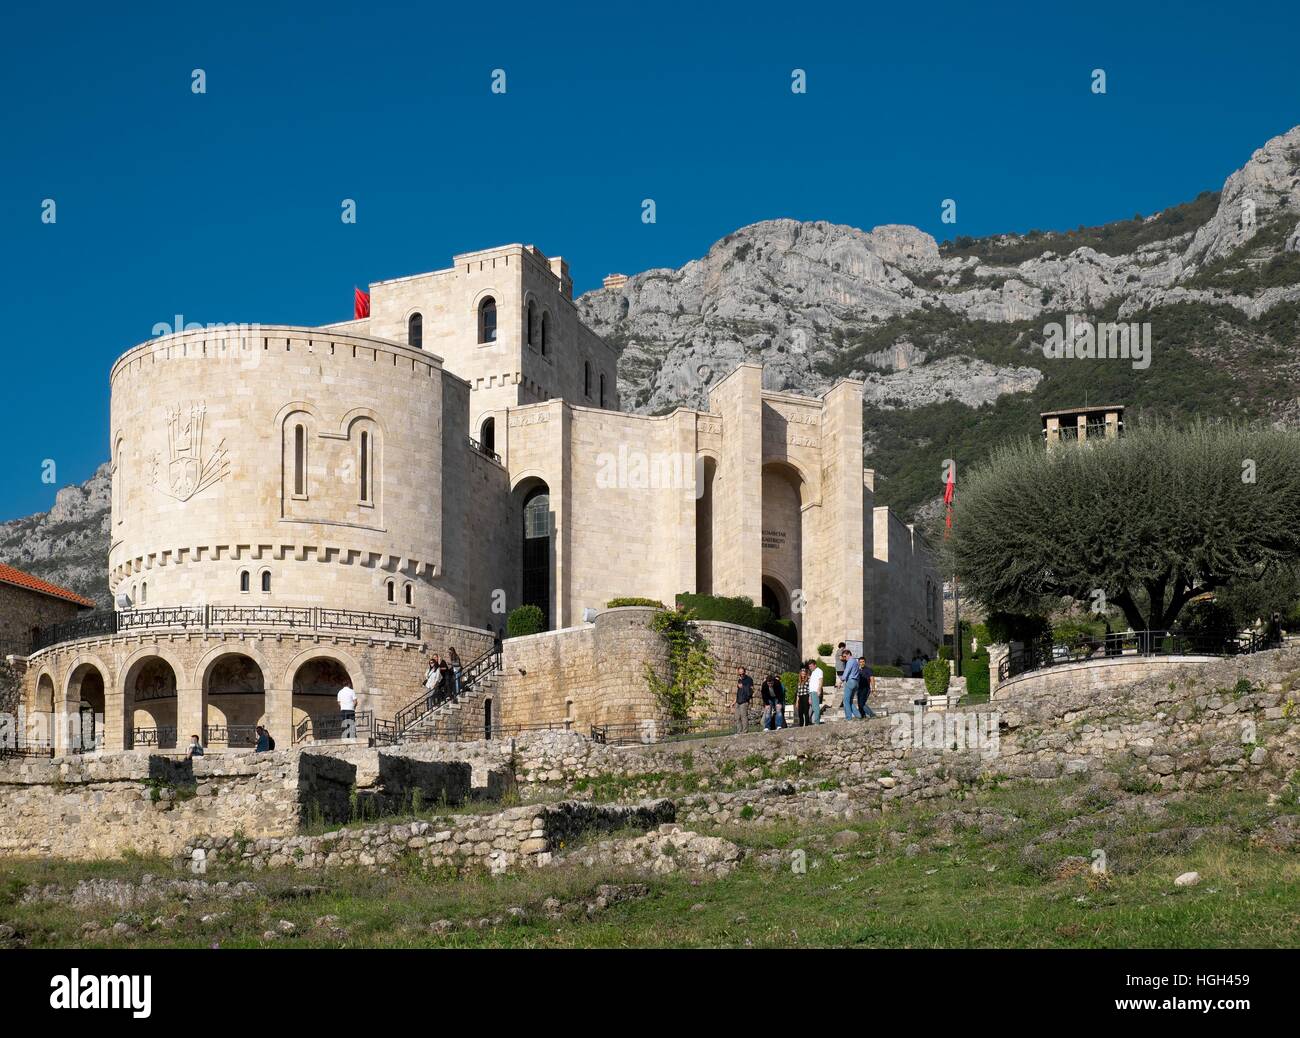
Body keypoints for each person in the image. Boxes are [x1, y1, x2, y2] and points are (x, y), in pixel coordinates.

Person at [840, 650, 861, 720]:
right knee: (850, 701)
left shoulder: (850, 661)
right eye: (843, 657)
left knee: (845, 701)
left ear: (849, 654)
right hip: (856, 682)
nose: (844, 658)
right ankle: (858, 716)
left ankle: (848, 717)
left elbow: (846, 672)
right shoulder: (855, 661)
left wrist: (840, 682)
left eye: (845, 656)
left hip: (850, 682)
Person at [734, 666, 754, 734]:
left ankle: (745, 731)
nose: (741, 675)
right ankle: (739, 731)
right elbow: (738, 692)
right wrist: (734, 701)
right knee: (737, 717)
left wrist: (743, 687)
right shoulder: (739, 680)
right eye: (740, 674)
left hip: (744, 701)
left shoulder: (749, 680)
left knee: (743, 716)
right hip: (738, 700)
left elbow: (751, 691)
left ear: (745, 672)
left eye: (742, 673)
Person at [805, 658, 824, 724]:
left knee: (816, 707)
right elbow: (811, 685)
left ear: (815, 665)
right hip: (812, 692)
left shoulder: (819, 671)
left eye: (811, 666)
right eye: (809, 666)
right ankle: (813, 721)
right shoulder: (813, 672)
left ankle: (817, 722)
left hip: (816, 691)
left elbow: (821, 680)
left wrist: (819, 690)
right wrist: (810, 696)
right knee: (813, 707)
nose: (810, 668)